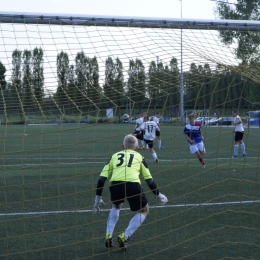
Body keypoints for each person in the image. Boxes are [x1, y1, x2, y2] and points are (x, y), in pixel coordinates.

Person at [93, 135, 168, 251]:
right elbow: (149, 180)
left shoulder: (114, 156)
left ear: (122, 147)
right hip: (133, 186)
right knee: (144, 210)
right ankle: (125, 236)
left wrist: (97, 198)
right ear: (137, 148)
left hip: (115, 186)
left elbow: (101, 179)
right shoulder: (140, 156)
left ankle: (108, 235)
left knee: (116, 205)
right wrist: (158, 195)